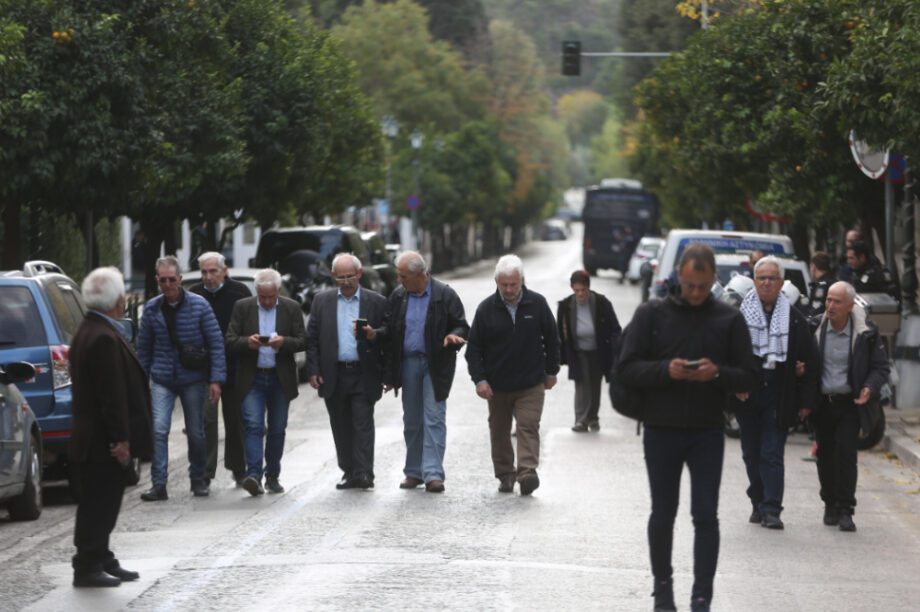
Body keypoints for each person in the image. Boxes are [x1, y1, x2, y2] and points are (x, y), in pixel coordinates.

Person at [617, 244, 759, 612]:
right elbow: (626, 368)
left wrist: (718, 374)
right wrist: (666, 371)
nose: (696, 293)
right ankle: (663, 590)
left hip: (706, 431)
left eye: (702, 286)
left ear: (713, 280)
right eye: (690, 285)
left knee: (705, 516)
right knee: (663, 512)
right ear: (680, 276)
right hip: (661, 429)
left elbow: (750, 375)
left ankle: (701, 597)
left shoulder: (728, 319)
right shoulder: (652, 314)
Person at [70, 267, 153, 587]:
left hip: (94, 436)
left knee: (104, 499)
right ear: (117, 300)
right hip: (102, 439)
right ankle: (88, 563)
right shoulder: (102, 336)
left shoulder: (91, 329)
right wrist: (120, 438)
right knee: (99, 501)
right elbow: (111, 393)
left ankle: (100, 556)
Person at [732, 256, 819, 530]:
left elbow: (810, 361)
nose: (767, 283)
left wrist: (805, 401)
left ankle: (772, 509)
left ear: (781, 283)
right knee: (751, 454)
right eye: (762, 278)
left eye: (772, 278)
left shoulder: (794, 320)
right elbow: (727, 357)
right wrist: (735, 386)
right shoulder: (738, 317)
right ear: (754, 282)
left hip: (779, 396)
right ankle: (757, 501)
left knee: (771, 453)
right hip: (748, 396)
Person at [466, 254, 560, 496]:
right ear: (496, 282)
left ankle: (527, 472)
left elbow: (552, 339)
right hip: (497, 386)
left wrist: (551, 371)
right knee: (499, 431)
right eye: (504, 284)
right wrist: (480, 380)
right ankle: (506, 474)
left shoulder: (537, 304)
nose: (508, 289)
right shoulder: (486, 309)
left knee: (528, 426)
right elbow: (473, 349)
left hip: (531, 382)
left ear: (522, 281)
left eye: (513, 284)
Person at [137, 256, 226, 501]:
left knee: (196, 432)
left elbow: (216, 343)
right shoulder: (152, 309)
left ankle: (198, 478)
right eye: (163, 280)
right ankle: (159, 483)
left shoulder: (199, 306)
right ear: (157, 280)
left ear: (180, 279)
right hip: (163, 377)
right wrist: (140, 383)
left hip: (193, 377)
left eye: (172, 280)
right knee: (159, 429)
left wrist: (216, 379)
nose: (167, 285)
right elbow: (143, 350)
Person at [379, 251, 468, 493]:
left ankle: (433, 474)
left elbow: (461, 324)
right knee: (412, 420)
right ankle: (414, 471)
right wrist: (388, 375)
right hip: (407, 363)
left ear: (420, 275)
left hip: (436, 363)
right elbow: (389, 333)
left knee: (434, 417)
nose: (399, 280)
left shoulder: (444, 294)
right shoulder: (399, 296)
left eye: (403, 276)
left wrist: (453, 335)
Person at [306, 254, 387, 490]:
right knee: (340, 425)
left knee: (362, 424)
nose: (345, 281)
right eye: (340, 277)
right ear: (333, 277)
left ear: (359, 274)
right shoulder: (322, 301)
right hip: (334, 374)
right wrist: (313, 370)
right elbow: (312, 339)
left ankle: (364, 473)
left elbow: (388, 335)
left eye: (350, 276)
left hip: (363, 372)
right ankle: (349, 471)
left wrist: (374, 334)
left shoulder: (377, 302)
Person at [813, 282, 889, 532]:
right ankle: (830, 503)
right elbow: (802, 358)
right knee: (824, 455)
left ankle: (846, 509)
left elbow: (880, 368)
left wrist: (869, 387)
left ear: (849, 305)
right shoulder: (815, 327)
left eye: (836, 301)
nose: (830, 306)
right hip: (823, 403)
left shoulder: (866, 332)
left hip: (850, 404)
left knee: (846, 454)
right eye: (828, 300)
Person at [226, 268, 307, 496]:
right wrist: (247, 342)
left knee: (277, 429)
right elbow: (230, 340)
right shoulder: (243, 307)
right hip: (252, 377)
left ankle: (273, 475)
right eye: (263, 296)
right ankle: (253, 475)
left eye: (271, 296)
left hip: (280, 377)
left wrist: (284, 342)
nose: (267, 301)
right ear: (257, 292)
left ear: (278, 291)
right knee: (253, 425)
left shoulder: (291, 308)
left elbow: (302, 340)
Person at [188, 252, 252, 486]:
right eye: (204, 272)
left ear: (225, 270)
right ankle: (205, 471)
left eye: (213, 271)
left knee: (236, 420)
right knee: (206, 420)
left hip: (235, 365)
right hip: (204, 369)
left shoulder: (240, 293)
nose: (208, 276)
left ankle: (238, 467)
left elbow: (247, 327)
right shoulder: (194, 294)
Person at [556, 270, 621, 432]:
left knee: (594, 385)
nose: (580, 294)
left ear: (588, 288)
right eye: (577, 290)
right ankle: (581, 420)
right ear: (572, 288)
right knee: (581, 383)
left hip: (599, 351)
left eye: (583, 290)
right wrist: (559, 355)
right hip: (578, 351)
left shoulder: (601, 302)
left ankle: (593, 418)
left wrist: (616, 349)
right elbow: (559, 332)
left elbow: (615, 328)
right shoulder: (566, 306)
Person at [803, 251, 836, 321]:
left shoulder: (821, 286)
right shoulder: (834, 282)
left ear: (813, 267)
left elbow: (816, 309)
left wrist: (808, 320)